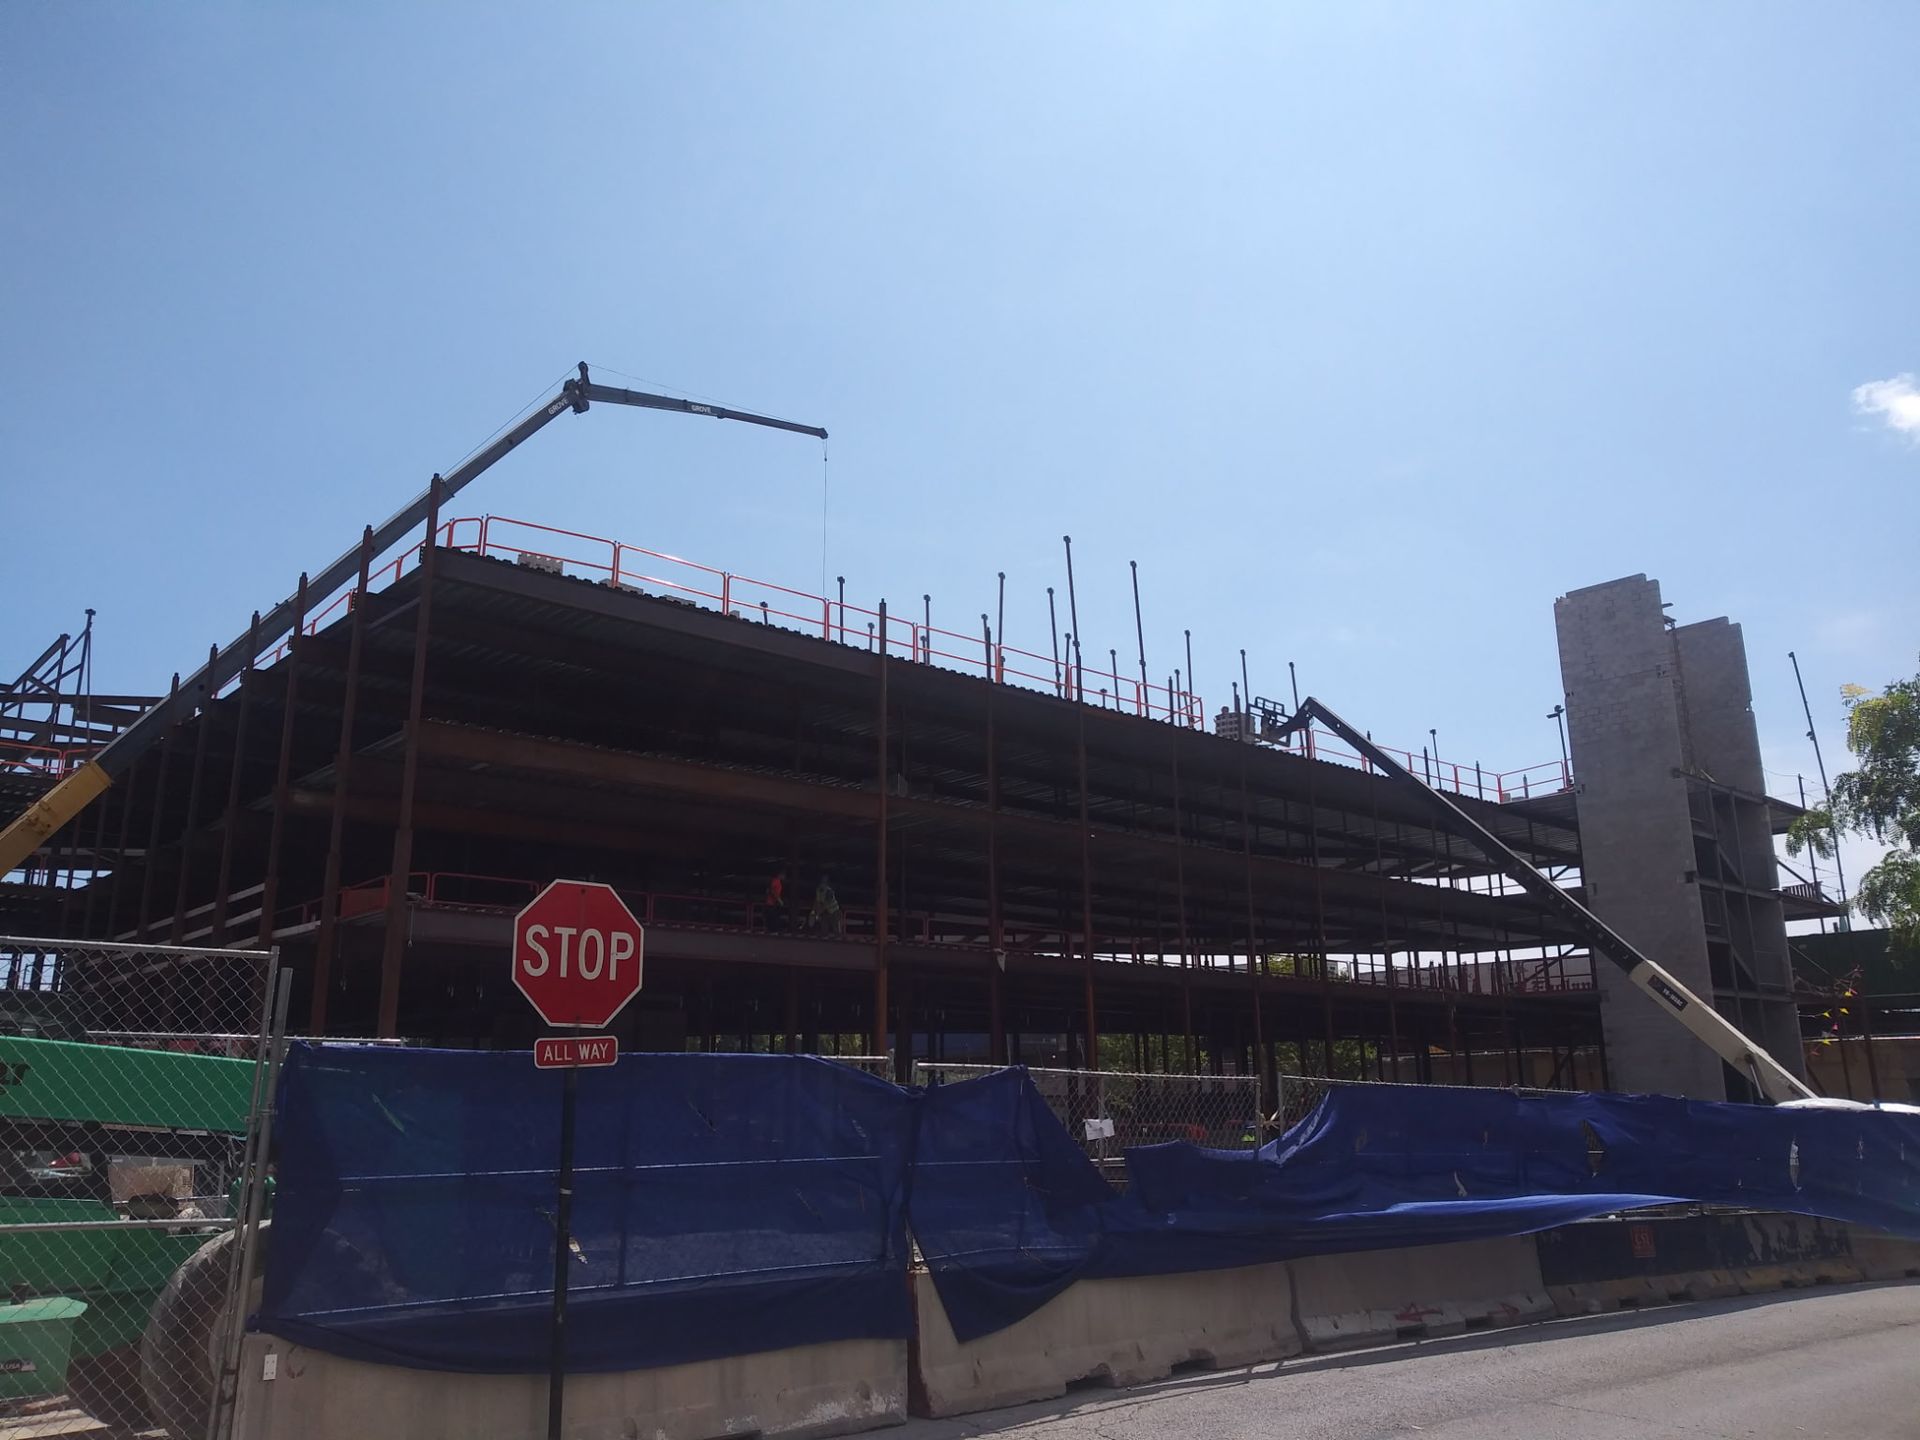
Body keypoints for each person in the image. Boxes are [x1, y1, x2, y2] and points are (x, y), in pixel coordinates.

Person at [764, 868, 789, 932]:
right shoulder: (776, 881)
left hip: (773, 903)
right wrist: (779, 900)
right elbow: (772, 891)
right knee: (773, 919)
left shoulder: (777, 882)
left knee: (773, 919)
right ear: (780, 875)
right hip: (770, 903)